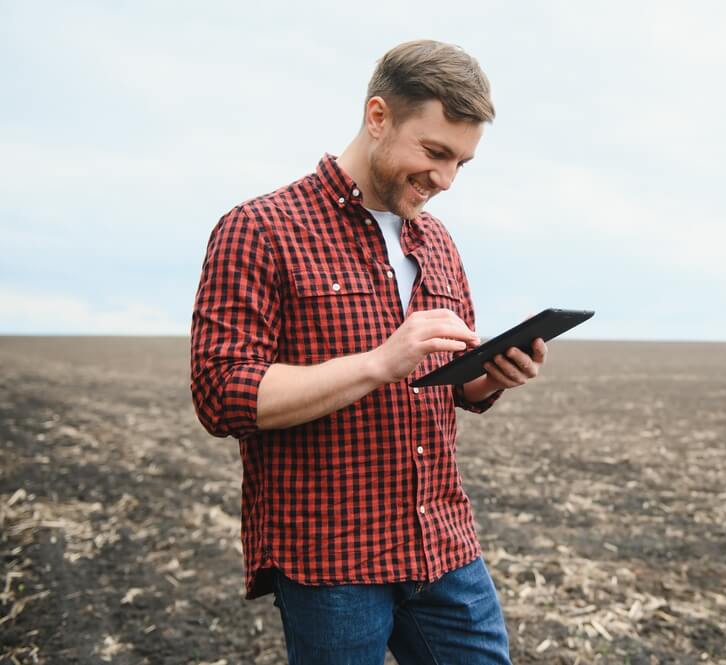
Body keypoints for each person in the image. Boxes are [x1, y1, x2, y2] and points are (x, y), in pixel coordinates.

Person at [189, 40, 546, 664]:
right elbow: (223, 394)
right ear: (377, 117)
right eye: (434, 152)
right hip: (332, 558)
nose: (445, 179)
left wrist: (490, 379)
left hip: (443, 544)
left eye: (462, 162)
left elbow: (449, 387)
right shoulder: (260, 228)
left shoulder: (436, 241)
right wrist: (379, 362)